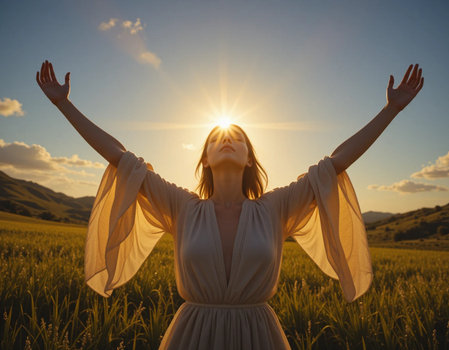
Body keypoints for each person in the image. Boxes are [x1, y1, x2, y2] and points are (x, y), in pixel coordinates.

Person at [36, 60, 423, 349]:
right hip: (192, 334)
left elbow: (335, 163)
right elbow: (121, 158)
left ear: (249, 158)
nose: (227, 140)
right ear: (204, 157)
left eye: (238, 137)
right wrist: (63, 105)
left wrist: (391, 109)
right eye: (218, 137)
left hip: (259, 335)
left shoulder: (274, 209)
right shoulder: (183, 207)